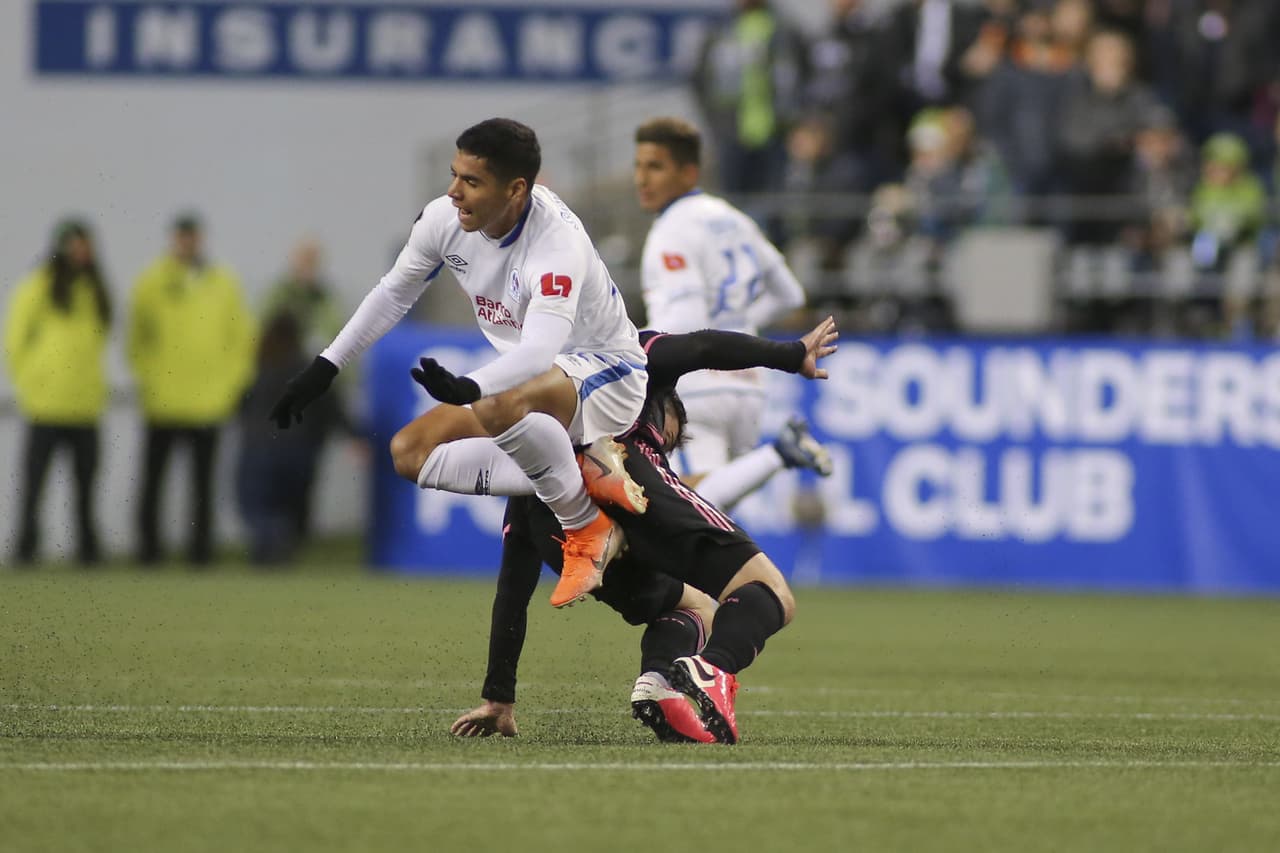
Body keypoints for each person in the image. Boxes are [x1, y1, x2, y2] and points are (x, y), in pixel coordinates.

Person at [269, 118, 649, 608]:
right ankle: (585, 471)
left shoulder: (556, 244)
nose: (453, 192)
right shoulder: (443, 219)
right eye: (454, 175)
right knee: (409, 451)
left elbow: (539, 351)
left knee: (498, 402)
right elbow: (393, 293)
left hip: (606, 376)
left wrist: (472, 385)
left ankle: (586, 525)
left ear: (516, 189)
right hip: (530, 388)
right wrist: (326, 366)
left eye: (471, 182)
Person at [449, 318, 838, 745]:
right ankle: (714, 667)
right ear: (663, 408)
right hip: (621, 476)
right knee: (770, 591)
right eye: (666, 441)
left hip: (560, 527)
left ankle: (658, 682)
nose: (666, 452)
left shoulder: (534, 449)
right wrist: (789, 353)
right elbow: (702, 346)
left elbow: (513, 588)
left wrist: (499, 697)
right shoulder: (629, 358)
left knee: (695, 606)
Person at [634, 117, 807, 480]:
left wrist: (627, 349)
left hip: (697, 388)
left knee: (688, 512)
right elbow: (790, 294)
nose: (642, 179)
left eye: (656, 167)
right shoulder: (735, 219)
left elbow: (684, 320)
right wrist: (739, 326)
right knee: (712, 514)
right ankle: (777, 455)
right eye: (638, 166)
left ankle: (777, 455)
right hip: (748, 387)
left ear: (689, 173)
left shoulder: (671, 230)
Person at [128, 214, 256, 565]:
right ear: (174, 240)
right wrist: (149, 379)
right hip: (163, 400)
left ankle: (200, 553)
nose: (187, 244)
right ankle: (148, 552)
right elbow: (137, 338)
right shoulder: (152, 281)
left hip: (207, 402)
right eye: (182, 237)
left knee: (202, 486)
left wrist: (229, 386)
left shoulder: (223, 282)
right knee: (153, 482)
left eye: (192, 237)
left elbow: (241, 339)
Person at [4, 219, 112, 566]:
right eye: (75, 245)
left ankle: (88, 550)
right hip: (46, 404)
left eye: (86, 245)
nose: (81, 252)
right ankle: (25, 548)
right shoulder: (38, 285)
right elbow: (15, 340)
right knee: (34, 486)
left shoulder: (94, 288)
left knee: (86, 485)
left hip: (85, 405)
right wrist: (31, 384)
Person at [235, 312, 348, 564]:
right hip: (300, 449)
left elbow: (241, 404)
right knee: (291, 507)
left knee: (256, 506)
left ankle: (268, 545)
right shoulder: (307, 368)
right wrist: (354, 435)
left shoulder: (260, 367)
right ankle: (281, 546)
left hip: (258, 448)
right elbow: (331, 405)